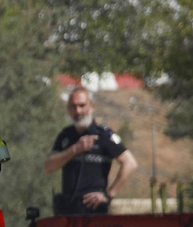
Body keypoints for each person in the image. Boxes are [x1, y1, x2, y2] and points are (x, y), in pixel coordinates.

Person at [44, 86, 138, 215]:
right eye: (73, 106)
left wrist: (109, 195)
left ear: (92, 107)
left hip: (94, 213)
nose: (78, 111)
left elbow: (130, 164)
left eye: (82, 105)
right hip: (68, 212)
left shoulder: (104, 135)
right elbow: (49, 167)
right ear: (68, 109)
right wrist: (75, 149)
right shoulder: (65, 136)